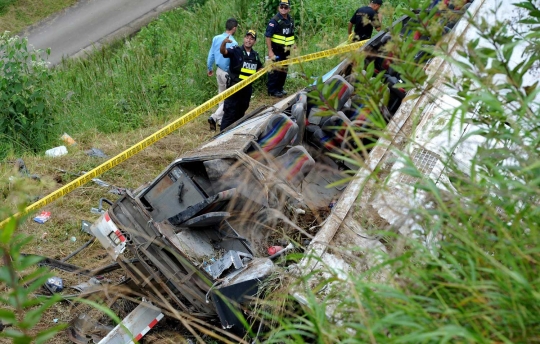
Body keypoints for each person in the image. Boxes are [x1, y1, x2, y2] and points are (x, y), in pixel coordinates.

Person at [220, 30, 264, 131]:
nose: (249, 40)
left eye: (251, 39)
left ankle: (235, 134)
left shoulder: (255, 55)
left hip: (246, 90)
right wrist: (223, 43)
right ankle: (222, 136)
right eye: (247, 37)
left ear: (254, 42)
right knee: (230, 113)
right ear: (244, 38)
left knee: (241, 113)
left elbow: (260, 67)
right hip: (234, 88)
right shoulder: (236, 50)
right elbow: (223, 52)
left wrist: (260, 72)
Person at [207, 18, 239, 131]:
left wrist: (209, 67)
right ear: (234, 28)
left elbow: (211, 54)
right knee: (229, 98)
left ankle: (221, 119)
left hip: (218, 70)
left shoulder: (216, 38)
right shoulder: (233, 43)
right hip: (227, 72)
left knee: (221, 95)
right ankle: (214, 117)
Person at [265, 0, 295, 98]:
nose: (283, 9)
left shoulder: (290, 20)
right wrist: (270, 51)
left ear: (289, 9)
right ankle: (272, 90)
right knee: (275, 70)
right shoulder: (274, 21)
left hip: (286, 50)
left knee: (284, 70)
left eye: (285, 7)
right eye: (281, 7)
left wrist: (294, 44)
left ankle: (280, 88)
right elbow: (268, 36)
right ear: (278, 8)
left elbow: (290, 34)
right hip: (276, 50)